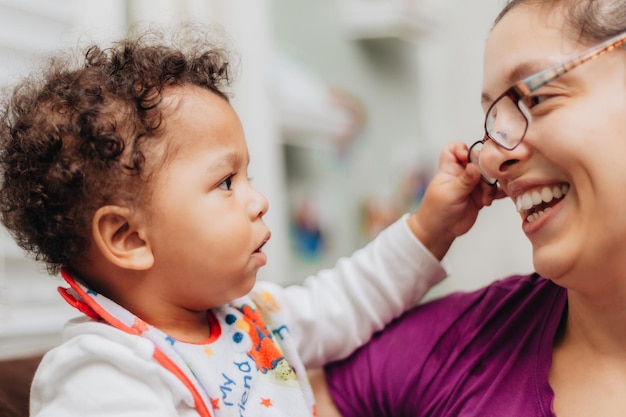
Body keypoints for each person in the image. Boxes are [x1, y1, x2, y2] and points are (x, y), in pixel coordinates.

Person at [0, 26, 498, 417]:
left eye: (247, 176)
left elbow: (349, 299)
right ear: (129, 237)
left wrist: (433, 226)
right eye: (225, 182)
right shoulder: (102, 374)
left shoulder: (255, 317)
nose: (259, 200)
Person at [315, 0, 626, 416]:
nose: (492, 159)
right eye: (494, 120)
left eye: (536, 98)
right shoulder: (451, 351)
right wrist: (425, 232)